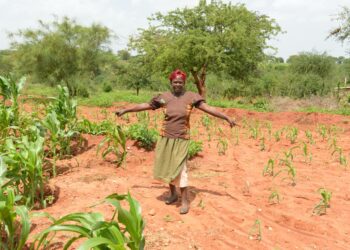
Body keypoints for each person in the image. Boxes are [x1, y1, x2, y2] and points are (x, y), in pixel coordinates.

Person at [115, 69, 236, 214]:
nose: (177, 84)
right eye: (175, 82)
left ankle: (184, 200)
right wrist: (126, 110)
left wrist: (226, 117)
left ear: (184, 83)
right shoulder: (163, 97)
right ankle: (172, 194)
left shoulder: (191, 97)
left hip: (181, 138)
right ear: (171, 83)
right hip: (166, 137)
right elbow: (145, 105)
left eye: (180, 82)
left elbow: (208, 108)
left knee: (181, 169)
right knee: (168, 167)